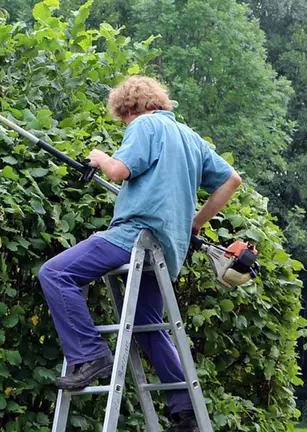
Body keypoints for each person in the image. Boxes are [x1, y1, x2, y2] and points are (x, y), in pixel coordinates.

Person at [37, 76, 242, 432]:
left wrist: (100, 157)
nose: (125, 124)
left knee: (55, 273)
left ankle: (90, 356)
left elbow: (118, 171)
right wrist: (194, 223)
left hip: (134, 236)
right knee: (149, 325)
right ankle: (186, 412)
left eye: (123, 119)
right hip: (167, 249)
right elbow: (231, 181)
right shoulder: (191, 138)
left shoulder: (144, 125)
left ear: (130, 108)